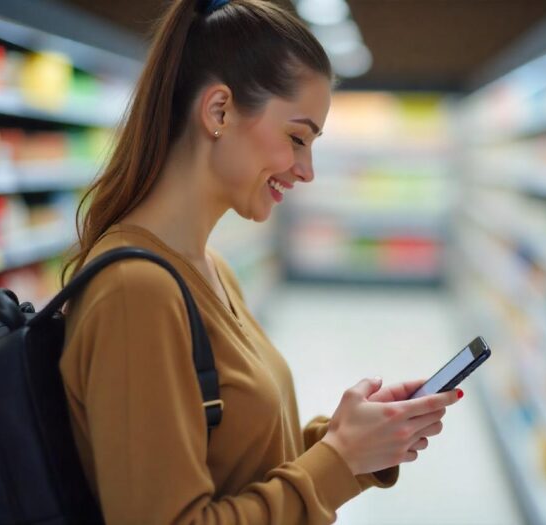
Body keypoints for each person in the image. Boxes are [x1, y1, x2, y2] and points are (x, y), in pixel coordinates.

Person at [60, 0, 462, 523]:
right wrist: (339, 461)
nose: (307, 169)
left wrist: (346, 440)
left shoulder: (209, 269)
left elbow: (235, 459)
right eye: (297, 138)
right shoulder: (136, 291)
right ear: (219, 111)